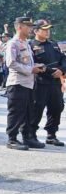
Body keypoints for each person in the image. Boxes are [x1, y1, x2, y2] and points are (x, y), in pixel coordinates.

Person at [5, 17, 45, 150]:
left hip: (28, 83)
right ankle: (12, 139)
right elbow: (11, 63)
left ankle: (27, 138)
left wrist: (36, 66)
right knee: (16, 112)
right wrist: (30, 70)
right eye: (28, 26)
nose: (31, 29)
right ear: (19, 27)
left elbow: (27, 62)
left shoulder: (26, 43)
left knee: (28, 112)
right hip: (17, 83)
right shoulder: (13, 43)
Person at [29, 19, 66, 147]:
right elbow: (32, 64)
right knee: (37, 108)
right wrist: (51, 71)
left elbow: (63, 59)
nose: (47, 32)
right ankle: (31, 134)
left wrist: (61, 70)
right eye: (44, 29)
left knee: (57, 107)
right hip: (40, 82)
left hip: (55, 83)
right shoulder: (31, 45)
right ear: (36, 31)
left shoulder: (53, 44)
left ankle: (51, 135)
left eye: (48, 29)